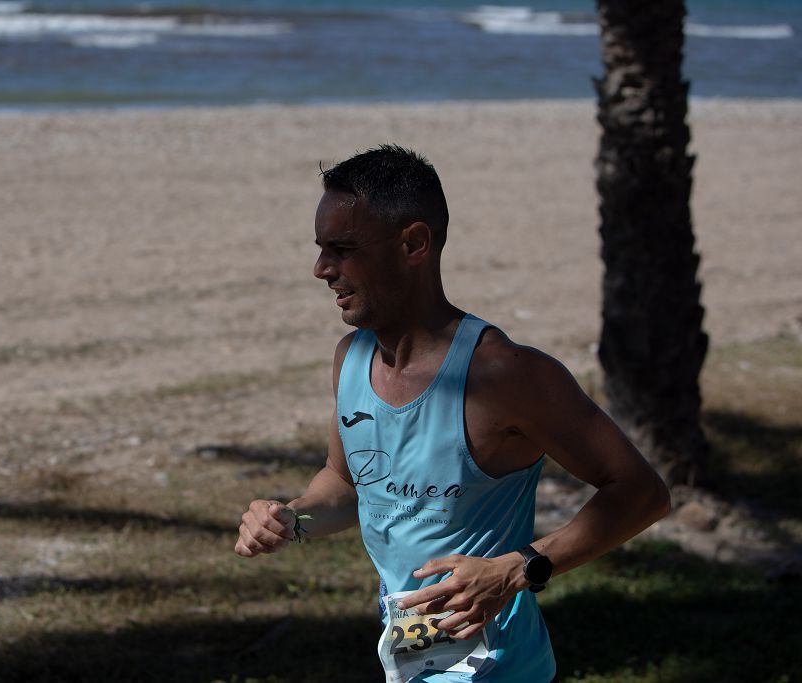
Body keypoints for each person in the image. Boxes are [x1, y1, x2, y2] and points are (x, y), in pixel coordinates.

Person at [234, 145, 670, 682]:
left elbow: (641, 492)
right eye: (322, 248)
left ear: (413, 244)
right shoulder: (352, 360)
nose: (322, 269)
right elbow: (347, 484)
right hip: (411, 667)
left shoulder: (506, 374)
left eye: (342, 249)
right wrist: (290, 518)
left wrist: (518, 568)